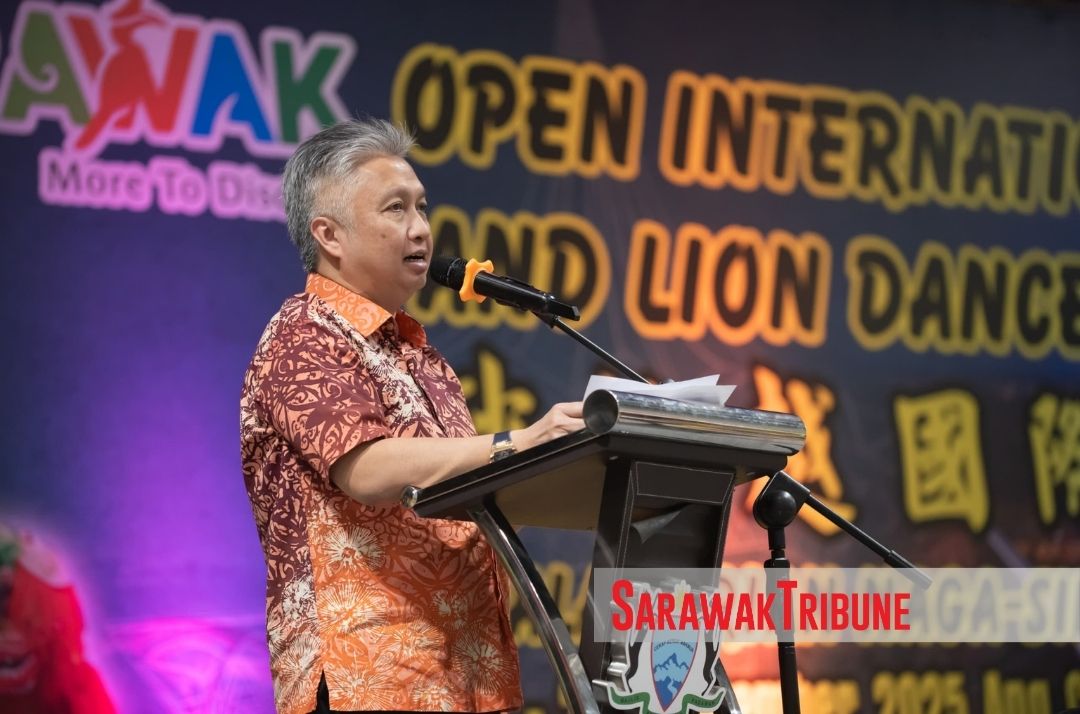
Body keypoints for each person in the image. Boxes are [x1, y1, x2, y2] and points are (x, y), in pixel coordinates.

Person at [240, 118, 584, 714]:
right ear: (330, 236)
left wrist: (565, 465)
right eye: (395, 208)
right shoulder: (303, 334)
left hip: (467, 676)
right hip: (367, 678)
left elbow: (466, 496)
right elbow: (367, 468)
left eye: (422, 206)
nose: (421, 227)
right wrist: (519, 443)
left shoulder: (422, 358)